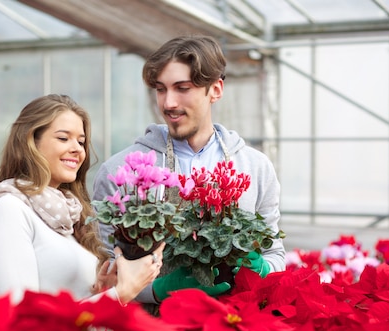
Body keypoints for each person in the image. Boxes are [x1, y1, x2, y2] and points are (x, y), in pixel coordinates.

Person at [92, 35, 285, 306]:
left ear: (215, 90)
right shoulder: (121, 171)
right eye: (160, 89)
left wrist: (262, 271)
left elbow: (275, 255)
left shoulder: (255, 167)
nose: (168, 102)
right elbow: (104, 268)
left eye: (182, 88)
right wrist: (158, 290)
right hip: (152, 330)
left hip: (234, 324)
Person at [0, 94, 164, 305]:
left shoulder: (67, 215)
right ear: (30, 143)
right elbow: (23, 317)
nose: (77, 149)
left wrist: (103, 291)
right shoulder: (8, 210)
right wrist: (121, 293)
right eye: (63, 138)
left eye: (81, 142)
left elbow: (70, 308)